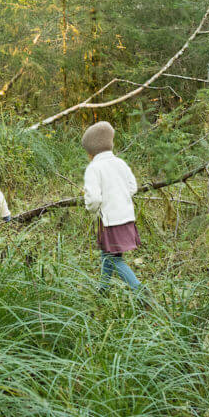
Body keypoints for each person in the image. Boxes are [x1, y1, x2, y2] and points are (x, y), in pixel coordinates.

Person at [83, 121, 143, 292]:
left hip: (110, 221)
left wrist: (90, 208)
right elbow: (133, 187)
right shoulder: (120, 163)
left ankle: (141, 292)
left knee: (115, 259)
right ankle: (103, 289)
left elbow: (94, 198)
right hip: (126, 217)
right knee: (107, 254)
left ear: (91, 152)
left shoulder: (94, 168)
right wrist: (119, 198)